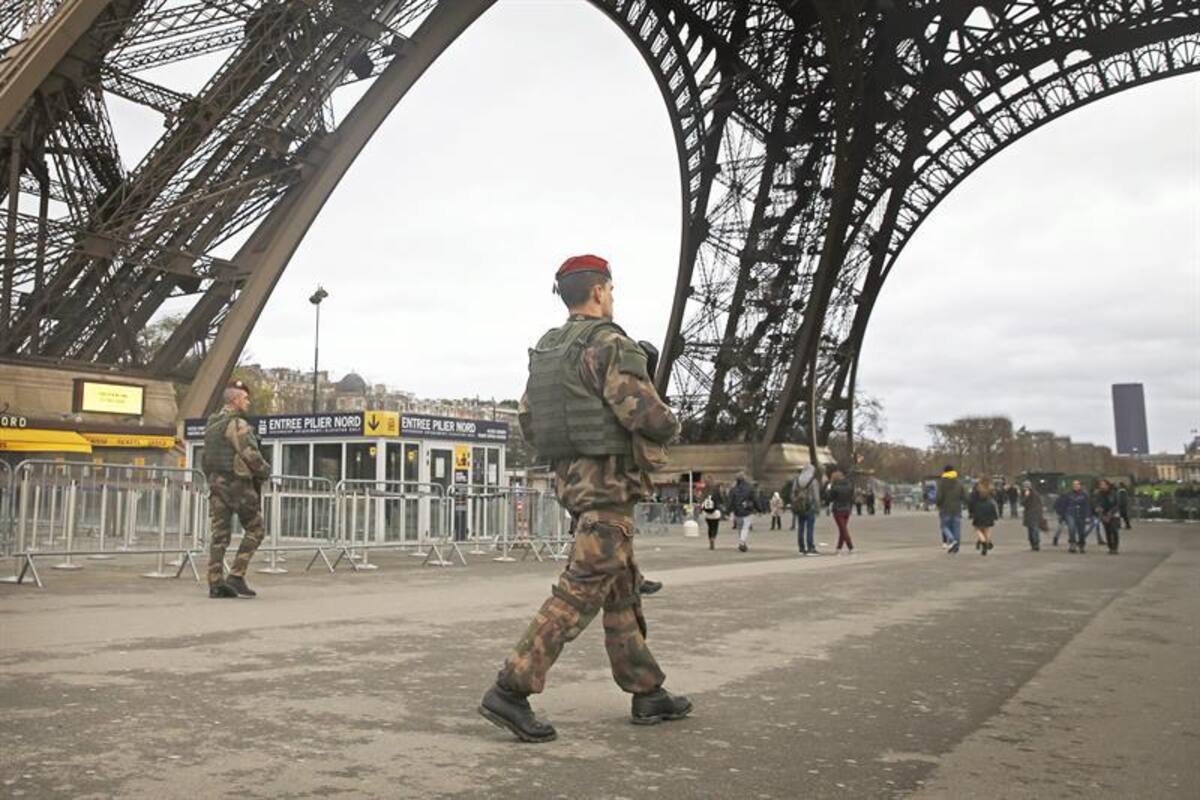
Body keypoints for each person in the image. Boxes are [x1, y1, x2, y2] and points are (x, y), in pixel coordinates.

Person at [479, 254, 691, 743]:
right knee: (580, 590)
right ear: (599, 291)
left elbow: (530, 421)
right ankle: (511, 687)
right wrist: (671, 421)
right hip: (609, 484)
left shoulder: (548, 351)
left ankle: (646, 690)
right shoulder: (612, 344)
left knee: (620, 586)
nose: (611, 298)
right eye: (611, 290)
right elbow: (643, 412)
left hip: (573, 481)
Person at [202, 380, 270, 599]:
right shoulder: (237, 424)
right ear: (235, 400)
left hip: (216, 483)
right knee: (256, 529)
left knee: (219, 534)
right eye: (245, 398)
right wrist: (265, 471)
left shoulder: (212, 424)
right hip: (237, 485)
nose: (248, 402)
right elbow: (249, 453)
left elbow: (206, 458)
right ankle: (236, 575)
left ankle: (215, 582)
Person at [789, 464, 821, 555]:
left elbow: (792, 493)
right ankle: (810, 547)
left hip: (800, 507)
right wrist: (818, 508)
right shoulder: (813, 481)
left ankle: (801, 547)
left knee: (801, 527)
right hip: (810, 506)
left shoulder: (797, 480)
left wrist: (796, 501)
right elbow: (816, 496)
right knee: (810, 527)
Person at [935, 465, 966, 554]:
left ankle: (952, 540)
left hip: (945, 509)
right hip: (957, 509)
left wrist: (938, 504)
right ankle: (956, 547)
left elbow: (939, 497)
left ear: (944, 472)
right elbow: (964, 495)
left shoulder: (941, 483)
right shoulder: (959, 483)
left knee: (944, 526)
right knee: (956, 529)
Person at [825, 469, 855, 554]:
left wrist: (828, 488)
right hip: (847, 509)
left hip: (838, 510)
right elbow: (852, 496)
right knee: (843, 529)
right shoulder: (849, 485)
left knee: (843, 529)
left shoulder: (834, 487)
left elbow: (829, 498)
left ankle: (850, 546)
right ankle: (839, 548)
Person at [968, 478, 1000, 555]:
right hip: (989, 509)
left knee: (977, 529)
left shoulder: (976, 491)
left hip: (978, 509)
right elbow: (994, 501)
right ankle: (988, 541)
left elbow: (971, 502)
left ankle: (983, 542)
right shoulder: (990, 490)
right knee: (987, 528)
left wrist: (971, 512)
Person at [728, 472, 756, 552]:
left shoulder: (733, 489)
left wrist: (728, 510)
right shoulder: (750, 488)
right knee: (745, 527)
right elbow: (754, 499)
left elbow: (730, 501)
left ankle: (742, 542)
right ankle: (742, 542)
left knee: (740, 528)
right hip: (747, 510)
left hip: (737, 511)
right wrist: (760, 508)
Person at [1063, 479, 1092, 554]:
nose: (1075, 486)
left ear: (1080, 485)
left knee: (1081, 531)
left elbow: (1087, 505)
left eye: (1077, 484)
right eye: (1074, 485)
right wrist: (1063, 514)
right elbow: (1064, 504)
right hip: (1071, 514)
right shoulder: (1068, 494)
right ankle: (1072, 544)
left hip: (1081, 514)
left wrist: (1088, 516)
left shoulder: (1084, 495)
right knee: (1071, 529)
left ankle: (1081, 545)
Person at [1095, 479, 1122, 554]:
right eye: (1100, 485)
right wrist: (1099, 510)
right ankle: (1110, 547)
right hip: (1103, 514)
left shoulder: (1113, 493)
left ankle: (1115, 547)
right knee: (1108, 531)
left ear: (1107, 485)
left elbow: (1117, 504)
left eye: (1103, 484)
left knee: (1114, 530)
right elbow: (1097, 504)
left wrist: (1111, 513)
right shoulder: (1098, 494)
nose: (1102, 486)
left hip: (1113, 514)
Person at [1021, 481, 1044, 551]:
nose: (1025, 488)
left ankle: (1036, 543)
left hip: (1035, 514)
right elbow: (1022, 503)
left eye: (1027, 486)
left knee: (1035, 529)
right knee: (1031, 530)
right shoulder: (1024, 494)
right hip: (1029, 514)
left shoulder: (1035, 494)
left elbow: (1039, 503)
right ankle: (1033, 543)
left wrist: (1040, 513)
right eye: (1025, 487)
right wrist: (1026, 496)